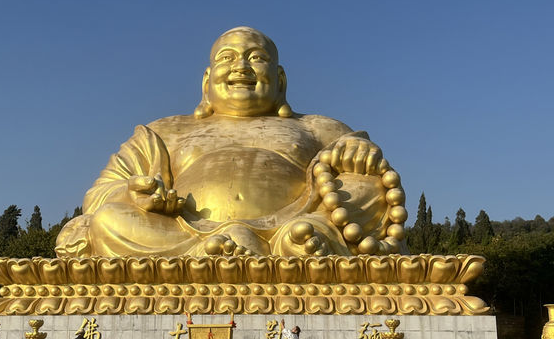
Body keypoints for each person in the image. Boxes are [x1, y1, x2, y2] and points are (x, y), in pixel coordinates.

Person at [55, 27, 407, 259]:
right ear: (207, 80)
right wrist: (134, 192)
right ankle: (274, 252)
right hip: (181, 233)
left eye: (257, 57)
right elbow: (98, 196)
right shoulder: (164, 130)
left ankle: (298, 240)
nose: (242, 66)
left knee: (369, 191)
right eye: (227, 58)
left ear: (280, 80)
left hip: (291, 222)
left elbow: (370, 173)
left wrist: (357, 153)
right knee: (109, 220)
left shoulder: (317, 127)